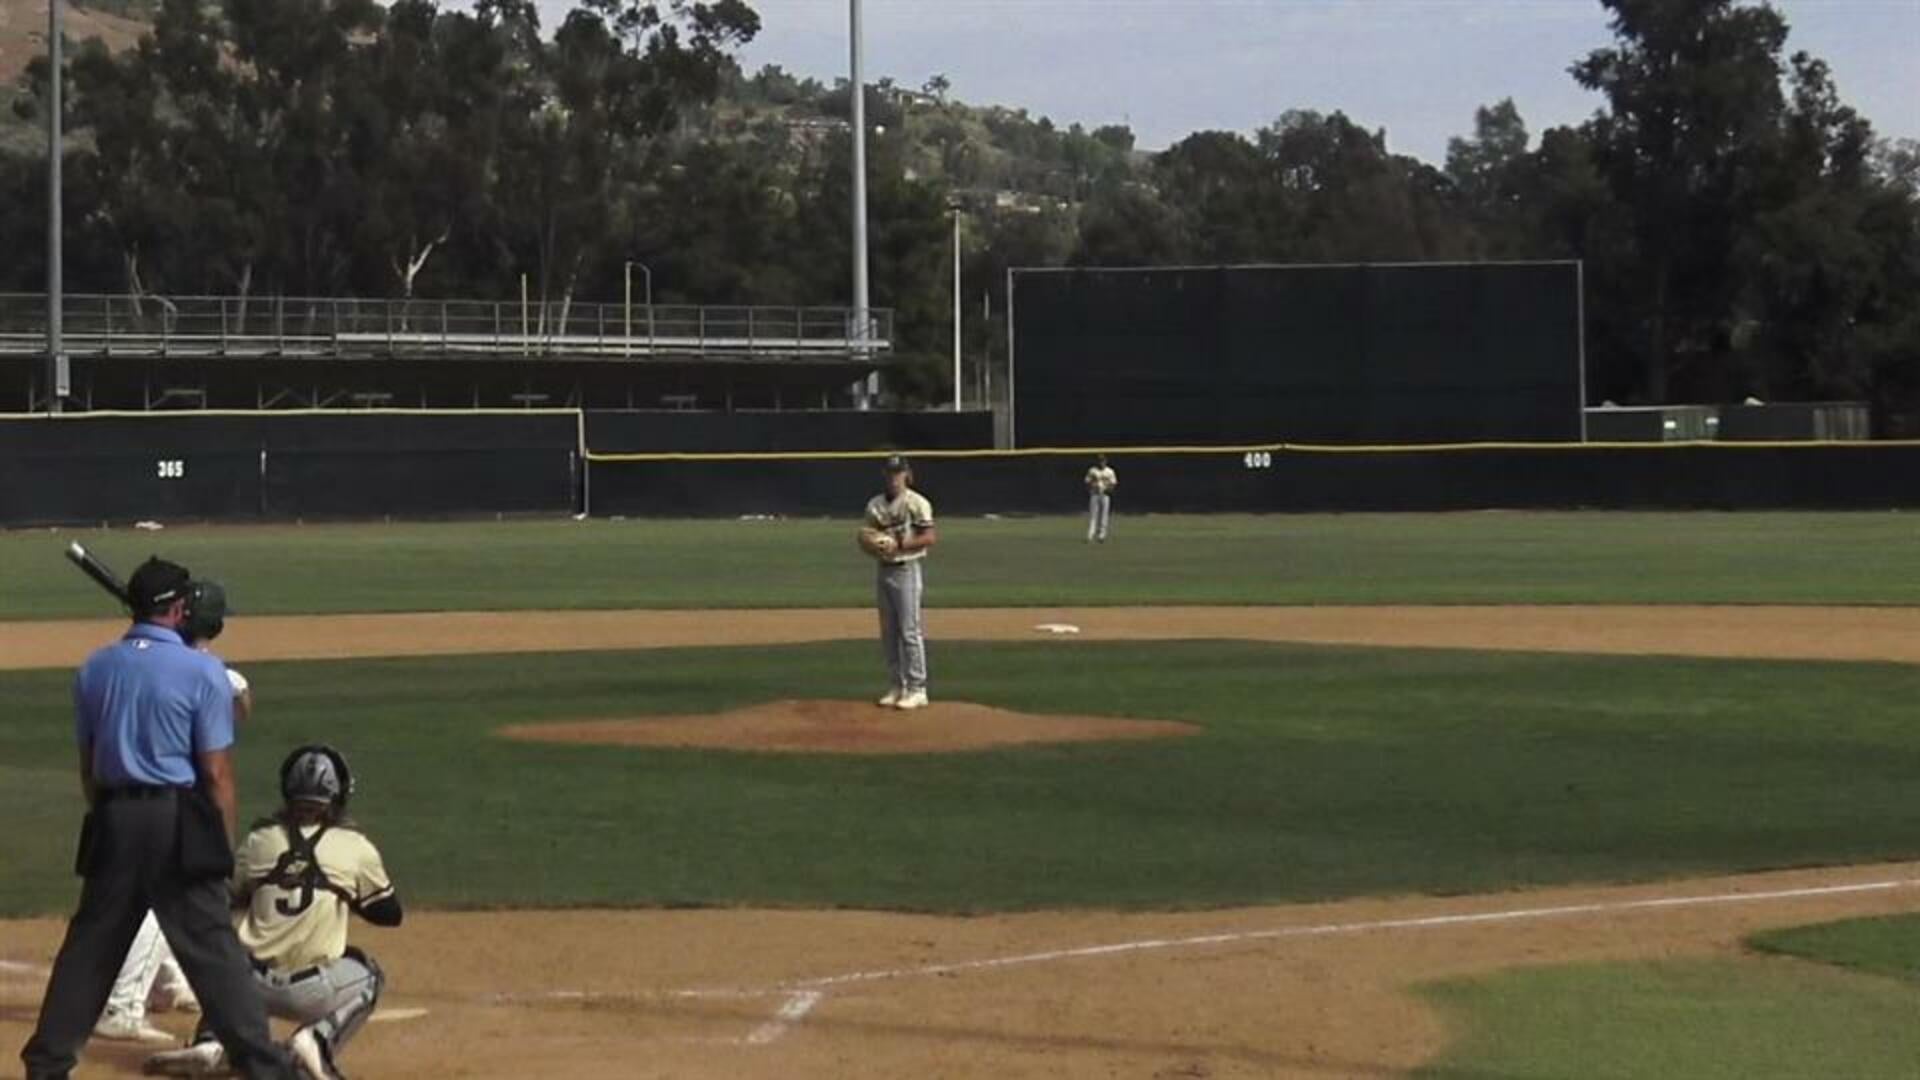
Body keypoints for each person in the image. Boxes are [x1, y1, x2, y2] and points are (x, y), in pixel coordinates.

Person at [20, 558, 296, 1080]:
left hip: (114, 815)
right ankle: (263, 1065)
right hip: (179, 819)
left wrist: (110, 816)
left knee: (90, 948)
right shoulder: (202, 672)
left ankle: (46, 1065)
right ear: (178, 608)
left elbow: (89, 764)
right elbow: (215, 772)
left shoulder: (94, 668)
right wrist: (221, 839)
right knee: (212, 946)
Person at [144, 745, 401, 1080]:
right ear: (337, 795)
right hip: (313, 993)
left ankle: (212, 1040)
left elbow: (225, 899)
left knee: (225, 957)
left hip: (248, 987)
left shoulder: (259, 841)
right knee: (369, 974)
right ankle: (315, 1041)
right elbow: (389, 913)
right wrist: (340, 890)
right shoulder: (355, 847)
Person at [93, 583, 247, 1045]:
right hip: (177, 808)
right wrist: (227, 682)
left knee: (160, 899)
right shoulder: (203, 672)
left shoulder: (168, 666)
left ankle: (170, 982)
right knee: (165, 903)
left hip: (135, 802)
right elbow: (234, 722)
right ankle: (122, 1005)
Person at [866, 454, 937, 710]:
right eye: (890, 473)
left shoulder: (917, 503)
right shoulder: (875, 504)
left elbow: (929, 537)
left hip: (907, 569)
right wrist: (873, 545)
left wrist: (901, 544)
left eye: (898, 473)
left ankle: (918, 689)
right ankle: (897, 686)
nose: (894, 478)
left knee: (909, 631)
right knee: (889, 633)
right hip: (883, 570)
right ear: (884, 475)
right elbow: (868, 535)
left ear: (906, 474)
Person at [1084, 454, 1118, 543]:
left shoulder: (1109, 471)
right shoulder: (1092, 470)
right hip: (1094, 495)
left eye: (1102, 461)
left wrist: (1108, 489)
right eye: (1099, 461)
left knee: (1104, 515)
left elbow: (1113, 483)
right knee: (1093, 515)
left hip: (1105, 495)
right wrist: (1092, 488)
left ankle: (1101, 535)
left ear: (1105, 461)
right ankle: (1090, 535)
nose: (1101, 463)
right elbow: (1087, 481)